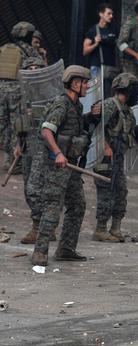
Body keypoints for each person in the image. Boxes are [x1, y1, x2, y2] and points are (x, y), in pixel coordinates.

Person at [31, 65, 101, 266]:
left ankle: (66, 249)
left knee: (78, 205)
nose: (87, 86)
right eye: (85, 82)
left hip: (70, 166)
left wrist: (91, 116)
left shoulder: (76, 106)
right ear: (75, 83)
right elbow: (46, 131)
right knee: (53, 206)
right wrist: (58, 154)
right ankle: (40, 252)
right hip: (57, 166)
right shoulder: (61, 104)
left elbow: (73, 129)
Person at [92, 74, 138, 243]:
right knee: (105, 193)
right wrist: (105, 148)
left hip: (118, 159)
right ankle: (100, 229)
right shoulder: (109, 105)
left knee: (120, 192)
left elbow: (131, 135)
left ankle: (115, 228)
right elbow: (96, 128)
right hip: (105, 159)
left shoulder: (127, 111)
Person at [17, 56, 56, 245]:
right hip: (27, 145)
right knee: (27, 188)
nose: (33, 70)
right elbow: (18, 120)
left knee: (37, 188)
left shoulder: (50, 93)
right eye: (29, 67)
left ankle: (42, 227)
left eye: (36, 67)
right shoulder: (23, 93)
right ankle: (39, 225)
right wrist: (18, 144)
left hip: (43, 145)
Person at [0, 22, 42, 161]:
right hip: (17, 92)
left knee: (2, 123)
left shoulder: (4, 48)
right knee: (16, 125)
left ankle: (6, 153)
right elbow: (40, 69)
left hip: (1, 90)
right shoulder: (29, 50)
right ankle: (14, 159)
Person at [83, 3, 118, 83]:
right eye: (108, 13)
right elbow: (85, 51)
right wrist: (95, 43)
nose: (111, 16)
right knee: (97, 93)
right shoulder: (93, 31)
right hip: (97, 66)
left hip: (111, 67)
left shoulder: (114, 29)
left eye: (112, 14)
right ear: (101, 14)